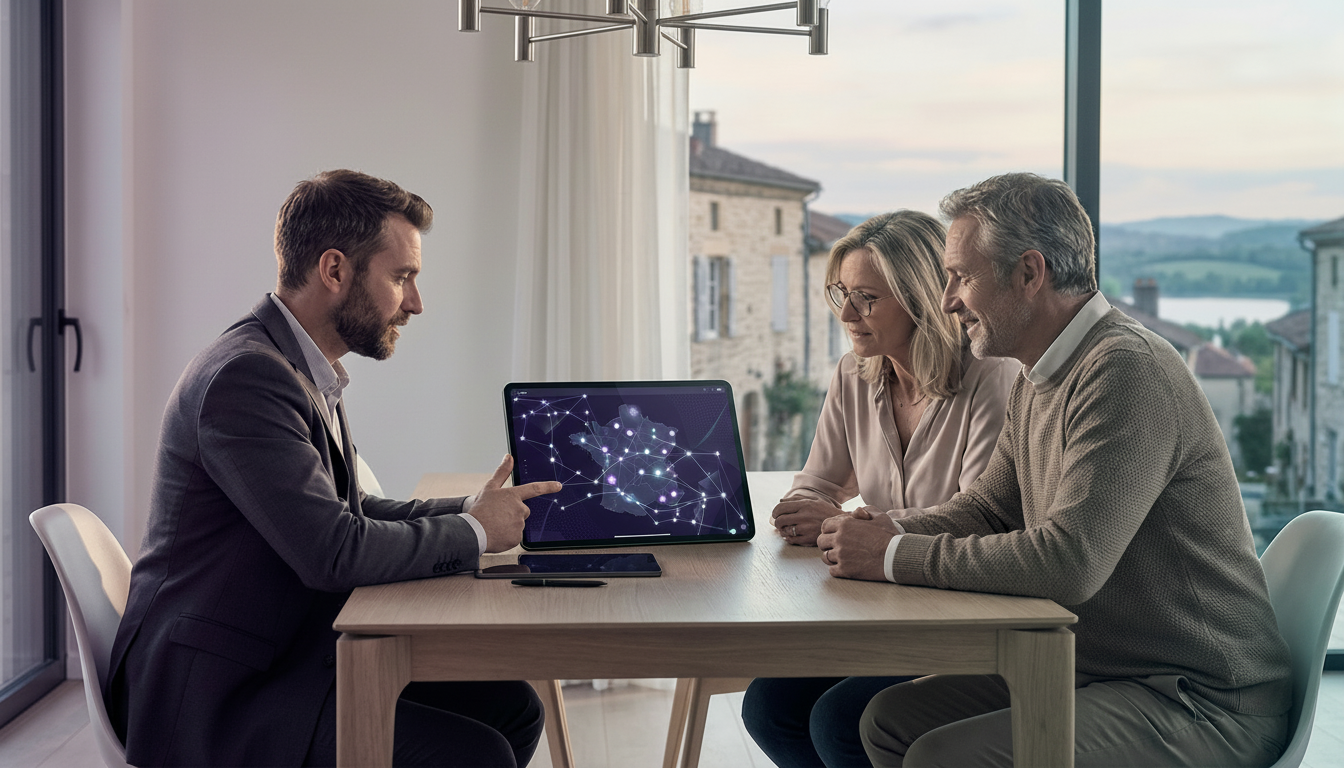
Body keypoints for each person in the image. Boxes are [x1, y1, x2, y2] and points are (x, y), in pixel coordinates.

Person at [816, 173, 1293, 768]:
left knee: (943, 755)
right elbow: (989, 509)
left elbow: (1069, 562)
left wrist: (890, 556)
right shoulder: (1040, 373)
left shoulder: (1124, 370)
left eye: (962, 277)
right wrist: (887, 529)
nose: (947, 302)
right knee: (887, 722)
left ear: (1029, 273)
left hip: (1196, 697)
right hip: (1096, 668)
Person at [104, 170, 561, 767]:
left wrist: (474, 512)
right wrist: (476, 534)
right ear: (335, 270)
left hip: (279, 653)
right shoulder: (248, 377)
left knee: (513, 708)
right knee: (474, 753)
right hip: (218, 694)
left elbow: (351, 511)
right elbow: (334, 552)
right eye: (402, 278)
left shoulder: (295, 365)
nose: (416, 302)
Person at [743, 210, 1020, 768]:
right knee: (770, 705)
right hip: (883, 604)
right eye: (841, 292)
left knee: (838, 718)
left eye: (867, 297)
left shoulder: (993, 377)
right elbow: (817, 484)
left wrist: (849, 525)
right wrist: (812, 509)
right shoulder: (855, 373)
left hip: (961, 611)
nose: (846, 313)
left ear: (920, 298)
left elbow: (977, 516)